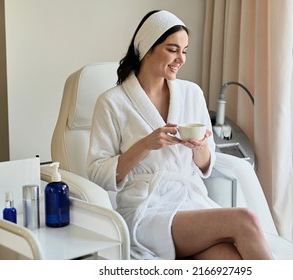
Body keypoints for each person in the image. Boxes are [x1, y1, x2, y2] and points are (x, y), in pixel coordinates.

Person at [86, 10, 273, 260]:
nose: (181, 59)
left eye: (184, 51)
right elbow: (98, 173)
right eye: (173, 49)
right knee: (245, 218)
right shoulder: (112, 102)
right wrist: (145, 144)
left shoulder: (191, 93)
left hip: (191, 201)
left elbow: (206, 164)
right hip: (147, 210)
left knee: (231, 259)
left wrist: (199, 147)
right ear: (147, 48)